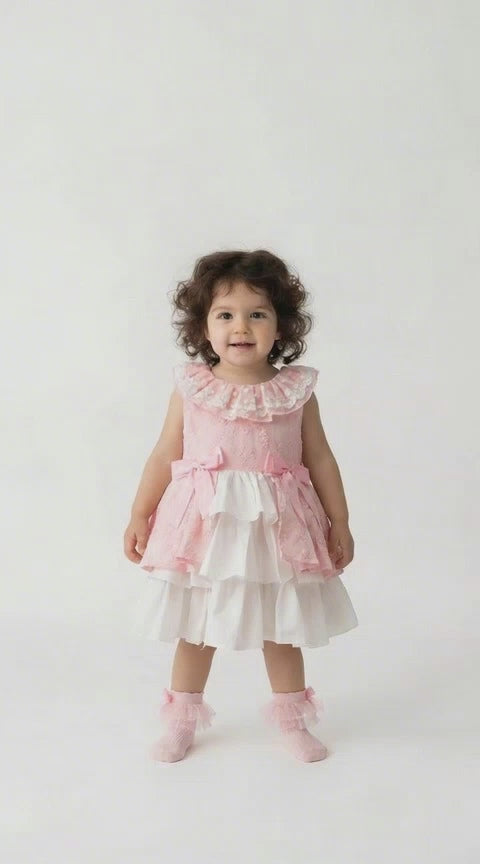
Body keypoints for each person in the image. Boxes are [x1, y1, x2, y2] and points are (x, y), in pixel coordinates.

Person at [124, 248, 359, 764]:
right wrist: (140, 512)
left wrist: (339, 521)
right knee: (196, 628)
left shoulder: (296, 392)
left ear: (281, 326)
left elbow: (319, 457)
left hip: (276, 531)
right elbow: (166, 452)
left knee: (281, 628)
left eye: (258, 314)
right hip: (205, 531)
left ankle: (293, 722)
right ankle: (182, 721)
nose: (241, 327)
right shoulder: (192, 388)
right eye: (225, 314)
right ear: (203, 327)